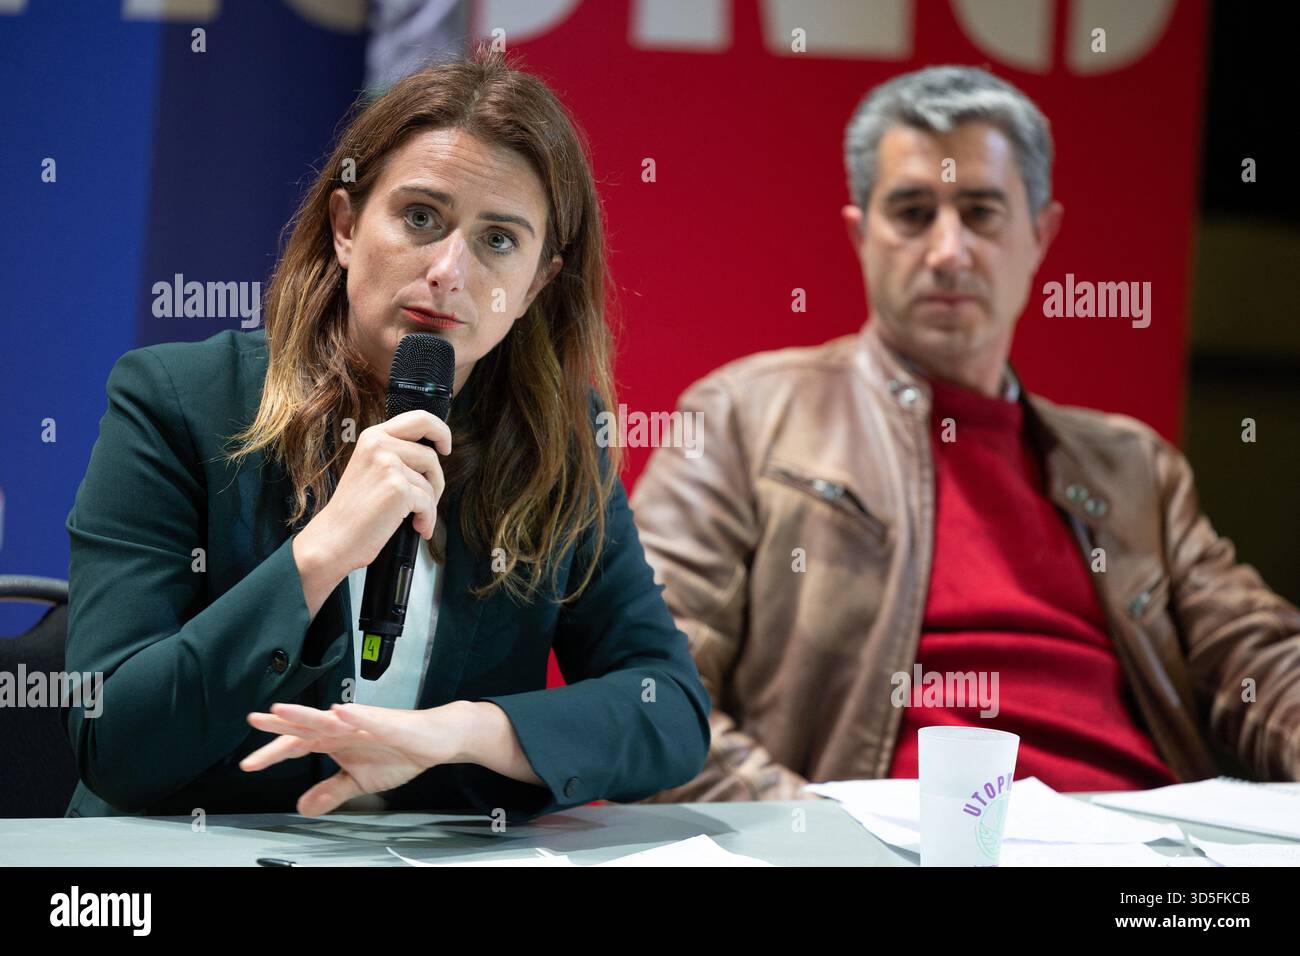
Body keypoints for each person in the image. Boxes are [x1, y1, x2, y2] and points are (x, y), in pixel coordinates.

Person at [63, 49, 710, 820]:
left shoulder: (562, 436)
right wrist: (322, 551)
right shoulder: (179, 402)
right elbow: (113, 740)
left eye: (499, 240)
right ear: (344, 225)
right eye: (420, 218)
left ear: (537, 283)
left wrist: (469, 731)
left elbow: (669, 707)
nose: (448, 270)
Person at [630, 65, 1300, 802]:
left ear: (1041, 235)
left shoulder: (1136, 468)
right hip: (883, 847)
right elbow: (645, 692)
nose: (949, 250)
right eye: (913, 212)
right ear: (861, 235)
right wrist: (819, 839)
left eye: (981, 212)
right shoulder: (740, 417)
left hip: (1146, 849)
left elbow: (1262, 662)